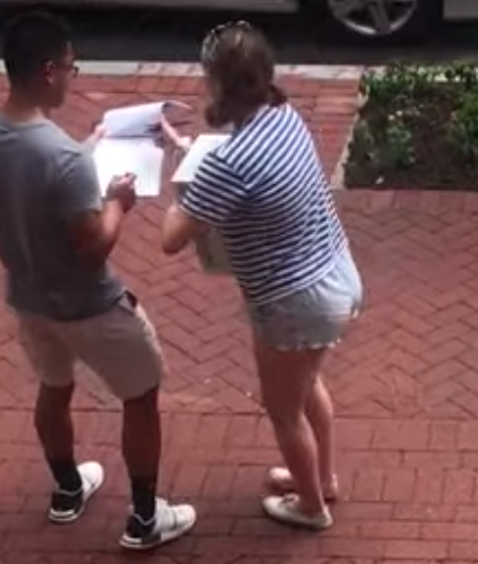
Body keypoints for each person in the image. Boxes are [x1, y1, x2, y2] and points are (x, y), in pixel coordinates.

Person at [0, 11, 195, 550]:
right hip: (91, 306)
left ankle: (68, 489)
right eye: (71, 66)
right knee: (141, 395)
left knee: (54, 386)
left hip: (29, 299)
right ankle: (143, 519)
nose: (73, 75)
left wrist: (85, 151)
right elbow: (93, 245)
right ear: (48, 71)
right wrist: (117, 202)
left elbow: (28, 185)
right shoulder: (61, 158)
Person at [160, 21, 363, 530]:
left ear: (217, 83)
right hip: (335, 274)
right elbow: (241, 172)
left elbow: (172, 236)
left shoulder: (228, 163)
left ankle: (311, 507)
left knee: (283, 410)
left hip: (293, 302)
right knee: (306, 384)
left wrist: (180, 175)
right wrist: (196, 157)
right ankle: (323, 478)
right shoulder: (283, 115)